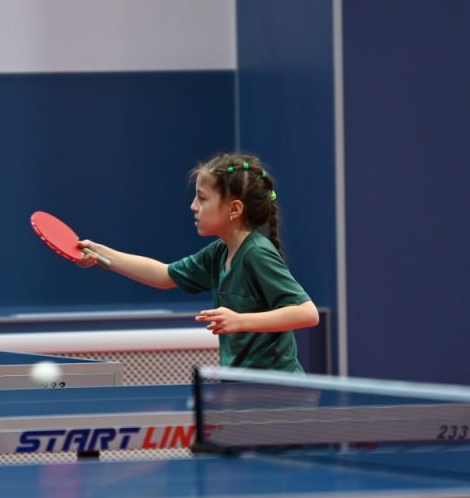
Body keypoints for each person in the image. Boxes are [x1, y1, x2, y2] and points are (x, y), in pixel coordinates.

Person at [78, 152, 318, 372]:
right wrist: (102, 254)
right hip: (244, 387)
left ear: (234, 209)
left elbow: (306, 313)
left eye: (202, 199)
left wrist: (240, 321)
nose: (193, 206)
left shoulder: (256, 253)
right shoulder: (219, 252)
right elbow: (164, 275)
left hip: (279, 389)